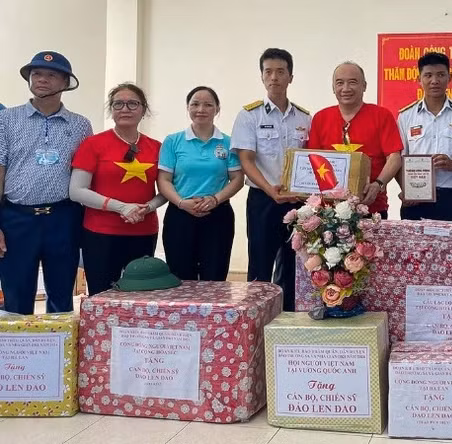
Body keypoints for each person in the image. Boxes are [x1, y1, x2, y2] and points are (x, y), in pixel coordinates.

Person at [0, 51, 92, 314]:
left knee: (62, 296)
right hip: (16, 218)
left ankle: (61, 354)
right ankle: (16, 356)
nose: (42, 79)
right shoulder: (6, 119)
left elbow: (86, 175)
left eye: (51, 75)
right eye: (36, 74)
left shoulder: (80, 125)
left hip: (63, 217)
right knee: (16, 296)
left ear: (65, 83)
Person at [231, 48, 311, 312]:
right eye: (268, 72)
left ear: (290, 76)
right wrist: (270, 189)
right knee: (260, 264)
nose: (274, 77)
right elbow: (246, 160)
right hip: (263, 199)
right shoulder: (249, 115)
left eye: (280, 71)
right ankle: (256, 318)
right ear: (262, 77)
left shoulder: (305, 118)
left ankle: (288, 317)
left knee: (294, 263)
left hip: (298, 203)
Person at [70, 83, 166, 295]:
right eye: (118, 104)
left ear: (143, 109)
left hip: (144, 231)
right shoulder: (93, 144)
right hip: (100, 234)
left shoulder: (157, 147)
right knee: (102, 295)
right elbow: (76, 190)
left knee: (141, 296)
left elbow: (165, 190)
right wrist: (121, 207)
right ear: (111, 110)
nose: (125, 109)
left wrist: (147, 208)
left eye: (132, 104)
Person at [157, 86, 243, 281]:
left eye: (208, 105)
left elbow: (237, 179)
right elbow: (163, 180)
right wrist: (181, 202)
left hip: (217, 215)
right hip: (180, 214)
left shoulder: (228, 143)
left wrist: (215, 199)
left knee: (214, 276)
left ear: (217, 109)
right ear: (187, 108)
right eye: (195, 104)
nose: (201, 109)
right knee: (180, 276)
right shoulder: (173, 141)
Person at [308, 62, 403, 219]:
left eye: (353, 82)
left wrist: (378, 184)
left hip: (372, 207)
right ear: (333, 88)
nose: (346, 89)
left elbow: (394, 157)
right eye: (340, 83)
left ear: (364, 86)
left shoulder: (381, 115)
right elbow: (312, 160)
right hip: (329, 210)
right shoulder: (320, 118)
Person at [396, 52, 452, 221]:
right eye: (428, 75)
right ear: (419, 79)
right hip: (416, 198)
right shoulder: (406, 116)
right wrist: (406, 189)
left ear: (450, 77)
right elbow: (398, 160)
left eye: (441, 75)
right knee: (415, 247)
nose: (434, 81)